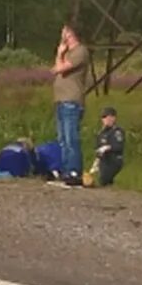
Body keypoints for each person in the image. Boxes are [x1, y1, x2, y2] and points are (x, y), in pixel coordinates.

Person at [51, 23, 90, 187]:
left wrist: (60, 54)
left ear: (70, 33)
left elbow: (61, 69)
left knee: (71, 138)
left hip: (71, 101)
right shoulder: (68, 53)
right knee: (62, 139)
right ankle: (66, 170)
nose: (62, 34)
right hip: (60, 100)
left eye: (64, 31)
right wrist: (60, 54)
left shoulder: (80, 52)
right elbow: (54, 69)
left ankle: (74, 171)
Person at [90, 106, 124, 187]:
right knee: (100, 180)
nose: (106, 120)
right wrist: (96, 163)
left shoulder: (117, 131)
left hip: (114, 159)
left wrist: (107, 147)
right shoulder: (101, 133)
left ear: (114, 118)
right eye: (104, 117)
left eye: (108, 117)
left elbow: (119, 146)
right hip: (104, 160)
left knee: (104, 180)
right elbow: (97, 148)